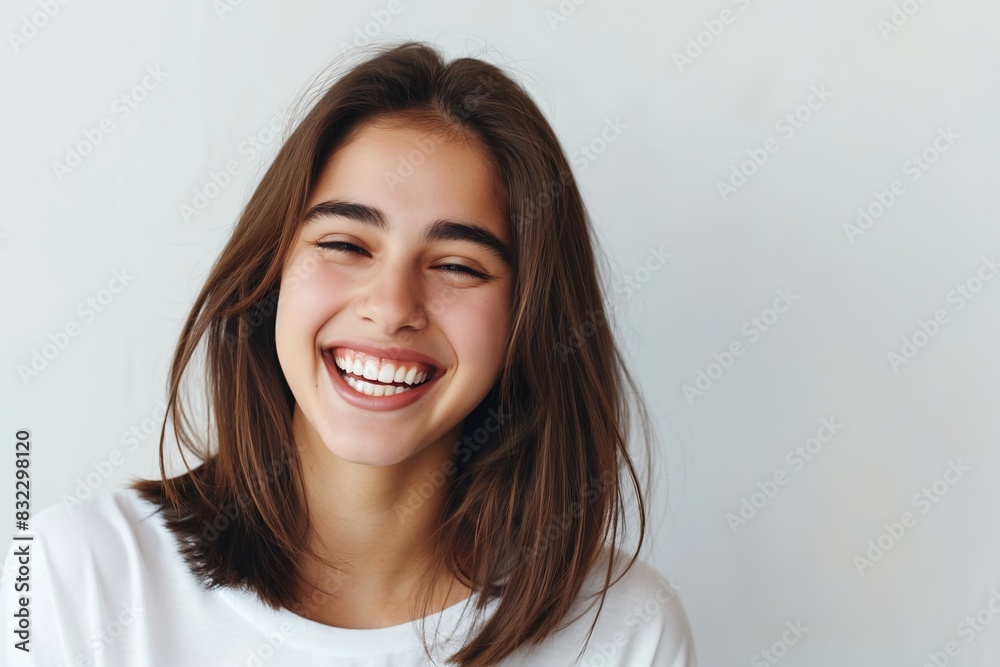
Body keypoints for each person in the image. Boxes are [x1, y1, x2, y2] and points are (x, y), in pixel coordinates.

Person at [1, 40, 696, 666]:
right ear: (269, 275)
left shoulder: (624, 631)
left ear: (528, 320)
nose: (392, 305)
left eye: (457, 264)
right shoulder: (72, 579)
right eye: (345, 245)